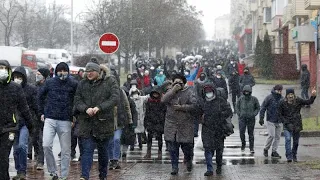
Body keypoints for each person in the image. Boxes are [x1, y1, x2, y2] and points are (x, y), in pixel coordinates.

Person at [74, 61, 119, 180]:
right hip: (87, 124)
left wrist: (100, 107)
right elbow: (77, 100)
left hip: (103, 123)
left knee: (103, 153)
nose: (89, 74)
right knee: (87, 151)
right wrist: (85, 108)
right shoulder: (82, 84)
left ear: (98, 72)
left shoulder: (109, 82)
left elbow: (114, 98)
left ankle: (103, 175)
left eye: (91, 71)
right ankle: (84, 176)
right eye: (87, 72)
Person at [38, 62, 78, 180]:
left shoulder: (73, 84)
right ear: (56, 72)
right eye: (59, 70)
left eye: (64, 70)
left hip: (65, 120)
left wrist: (74, 116)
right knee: (46, 145)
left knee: (66, 150)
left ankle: (64, 175)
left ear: (68, 71)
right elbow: (40, 97)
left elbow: (77, 100)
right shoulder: (50, 83)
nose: (62, 73)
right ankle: (52, 171)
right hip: (50, 118)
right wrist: (41, 112)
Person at [0, 60, 33, 180]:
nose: (1, 70)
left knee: (3, 158)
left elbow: (24, 108)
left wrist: (31, 125)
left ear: (8, 70)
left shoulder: (15, 88)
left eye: (3, 68)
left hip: (9, 128)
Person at [161, 73, 197, 175]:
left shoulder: (189, 92)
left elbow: (194, 106)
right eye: (175, 82)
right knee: (173, 149)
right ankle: (174, 167)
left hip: (185, 124)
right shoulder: (170, 92)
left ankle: (188, 160)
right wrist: (173, 90)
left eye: (179, 83)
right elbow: (163, 100)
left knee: (187, 148)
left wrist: (182, 108)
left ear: (184, 83)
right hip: (171, 125)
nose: (177, 84)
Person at [197, 84, 233, 176]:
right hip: (207, 129)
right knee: (208, 149)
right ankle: (209, 168)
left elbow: (228, 111)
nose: (208, 94)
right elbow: (196, 113)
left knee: (219, 150)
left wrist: (220, 115)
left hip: (219, 129)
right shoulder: (202, 102)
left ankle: (219, 166)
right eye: (207, 92)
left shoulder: (221, 101)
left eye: (210, 92)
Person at [11, 66, 38, 180]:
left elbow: (35, 106)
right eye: (15, 77)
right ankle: (19, 170)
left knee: (22, 146)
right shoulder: (10, 89)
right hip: (12, 123)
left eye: (20, 77)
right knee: (16, 149)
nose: (17, 79)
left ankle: (22, 170)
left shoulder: (31, 90)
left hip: (25, 122)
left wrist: (35, 119)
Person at [278, 88, 316, 162]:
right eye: (289, 94)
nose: (290, 96)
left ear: (294, 95)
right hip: (287, 124)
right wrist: (285, 122)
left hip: (297, 124)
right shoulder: (282, 102)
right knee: (288, 139)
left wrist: (313, 96)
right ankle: (289, 156)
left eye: (292, 94)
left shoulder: (298, 100)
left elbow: (308, 102)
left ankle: (294, 154)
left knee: (296, 142)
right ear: (286, 95)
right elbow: (279, 114)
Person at [108, 86, 132, 170]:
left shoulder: (121, 92)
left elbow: (127, 105)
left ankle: (115, 159)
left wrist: (130, 119)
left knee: (116, 139)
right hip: (108, 121)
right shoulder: (105, 90)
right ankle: (111, 159)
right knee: (110, 142)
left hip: (119, 121)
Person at [259, 85, 283, 159]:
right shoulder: (269, 98)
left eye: (280, 90)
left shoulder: (282, 99)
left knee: (278, 137)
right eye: (278, 90)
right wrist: (261, 118)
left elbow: (285, 109)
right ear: (275, 90)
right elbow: (263, 107)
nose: (279, 92)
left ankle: (274, 151)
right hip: (271, 120)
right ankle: (266, 148)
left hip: (279, 120)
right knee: (271, 135)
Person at [34, 68, 51, 170]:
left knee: (41, 139)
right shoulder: (35, 86)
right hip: (34, 116)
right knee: (34, 138)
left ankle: (40, 160)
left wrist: (43, 113)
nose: (37, 76)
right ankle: (37, 155)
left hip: (43, 116)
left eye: (39, 74)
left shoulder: (47, 87)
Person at [236, 85, 260, 153]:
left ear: (250, 92)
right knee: (241, 133)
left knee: (251, 134)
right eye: (245, 91)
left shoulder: (254, 99)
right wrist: (239, 114)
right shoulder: (240, 99)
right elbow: (237, 107)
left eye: (248, 91)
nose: (246, 93)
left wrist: (254, 114)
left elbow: (258, 107)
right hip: (242, 119)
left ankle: (251, 147)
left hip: (251, 119)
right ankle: (243, 144)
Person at [143, 88, 166, 160]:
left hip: (159, 122)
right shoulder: (149, 102)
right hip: (150, 122)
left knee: (159, 138)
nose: (155, 95)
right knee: (149, 138)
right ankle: (148, 152)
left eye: (156, 94)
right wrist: (146, 123)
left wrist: (162, 120)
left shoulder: (162, 102)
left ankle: (159, 152)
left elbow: (164, 112)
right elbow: (146, 113)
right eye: (154, 94)